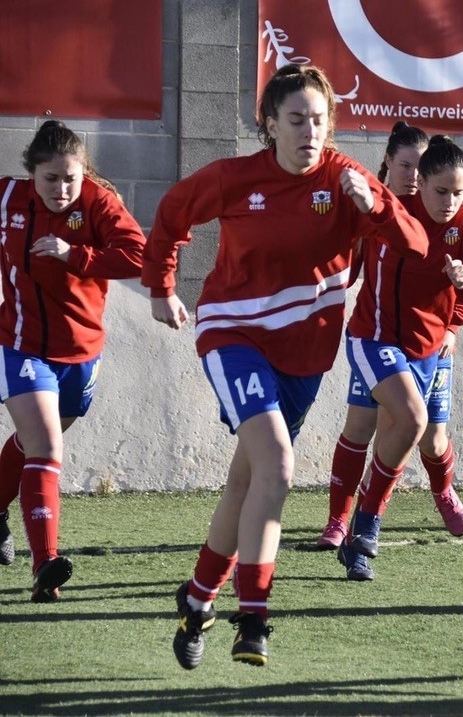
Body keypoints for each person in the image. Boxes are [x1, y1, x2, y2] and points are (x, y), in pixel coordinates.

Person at [143, 64, 427, 669]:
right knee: (277, 462)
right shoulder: (236, 177)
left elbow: (417, 246)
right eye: (296, 120)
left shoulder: (348, 178)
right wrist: (161, 287)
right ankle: (254, 619)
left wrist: (375, 205)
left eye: (319, 120)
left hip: (305, 357)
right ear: (270, 124)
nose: (310, 131)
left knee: (248, 482)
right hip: (233, 334)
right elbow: (171, 213)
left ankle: (196, 600)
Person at [333, 134, 463, 582]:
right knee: (401, 421)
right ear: (419, 182)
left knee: (415, 436)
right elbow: (349, 260)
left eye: (458, 192)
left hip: (428, 349)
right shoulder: (393, 213)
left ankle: (364, 533)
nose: (449, 201)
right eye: (440, 191)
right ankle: (360, 529)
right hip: (374, 338)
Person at [0, 120, 145, 602]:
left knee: (33, 441)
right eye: (50, 179)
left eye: (71, 178)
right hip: (21, 344)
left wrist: (75, 254)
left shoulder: (99, 203)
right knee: (45, 447)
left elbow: (138, 257)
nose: (61, 189)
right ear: (30, 174)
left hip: (81, 352)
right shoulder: (7, 200)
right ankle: (45, 565)